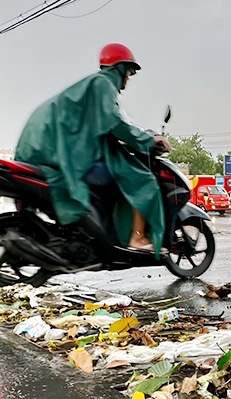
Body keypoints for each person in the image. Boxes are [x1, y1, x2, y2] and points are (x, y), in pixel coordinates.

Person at [15, 43, 171, 253]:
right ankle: (137, 238)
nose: (129, 77)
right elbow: (114, 123)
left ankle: (101, 234)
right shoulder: (103, 83)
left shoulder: (92, 85)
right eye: (129, 71)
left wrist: (127, 140)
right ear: (120, 68)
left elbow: (95, 129)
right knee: (142, 180)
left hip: (41, 148)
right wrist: (149, 141)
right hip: (58, 153)